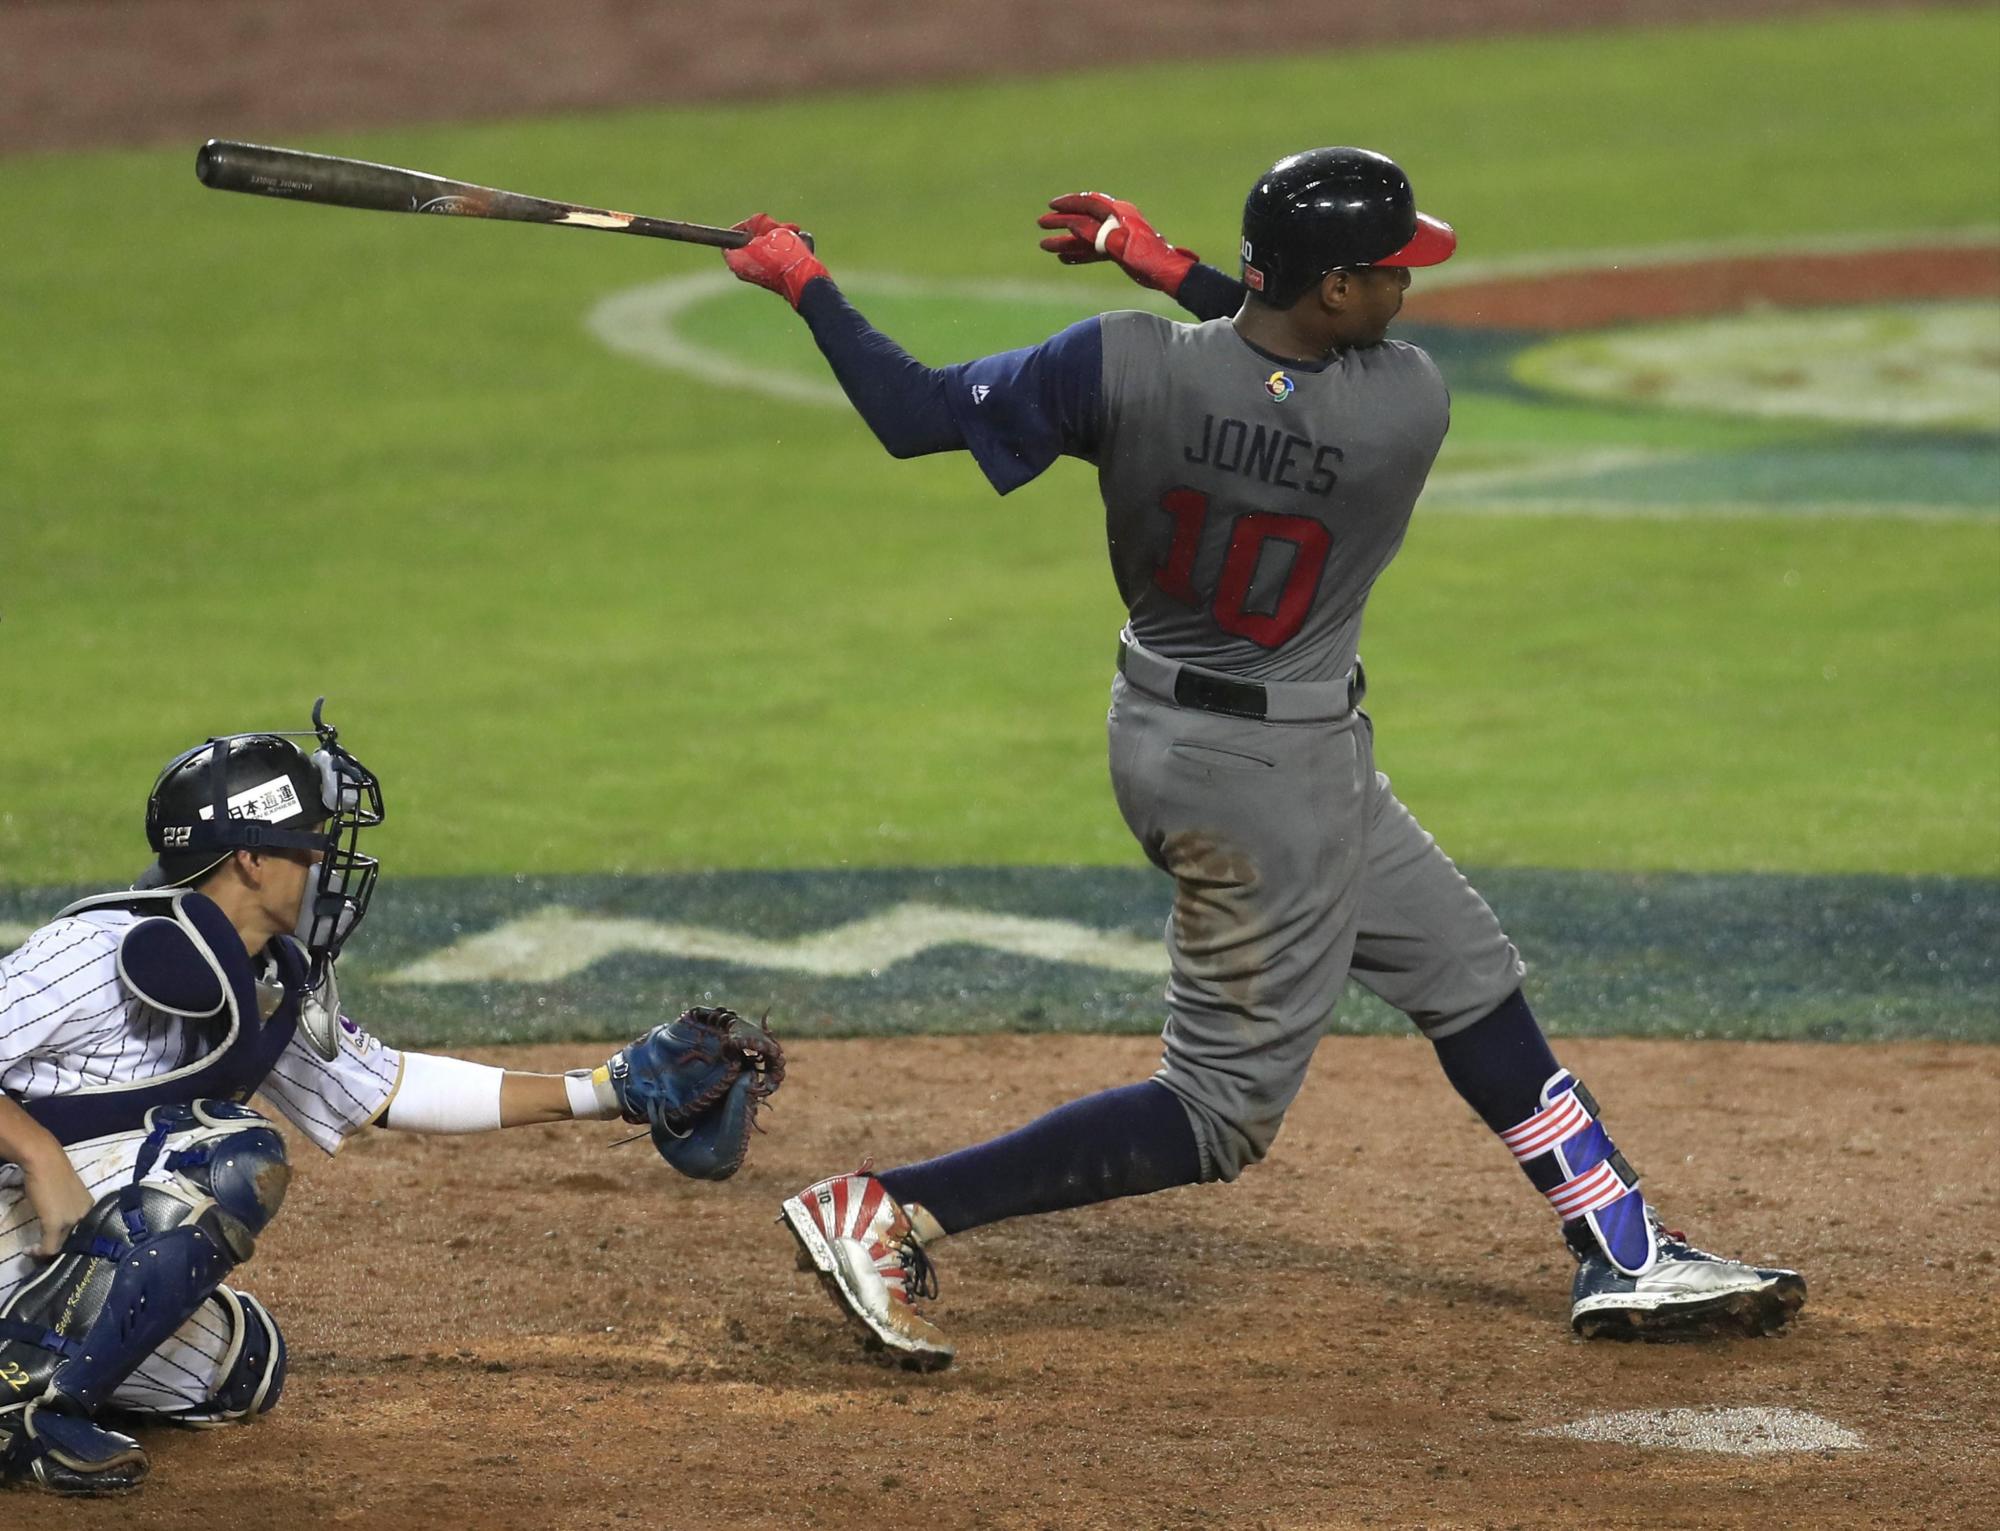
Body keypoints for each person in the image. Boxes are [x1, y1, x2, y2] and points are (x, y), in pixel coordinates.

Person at [720, 147, 1805, 1370]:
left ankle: (1621, 1244)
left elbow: (918, 414)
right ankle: (889, 1205)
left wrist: (802, 281)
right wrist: (1169, 261)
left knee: (1460, 967)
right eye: (1388, 268)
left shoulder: (1114, 364)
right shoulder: (1405, 405)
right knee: (1216, 1112)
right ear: (1333, 291)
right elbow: (1272, 385)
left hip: (1184, 736)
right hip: (1267, 786)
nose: (1407, 286)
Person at [0, 701, 780, 1494]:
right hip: (17, 1216)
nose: (326, 866)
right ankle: (25, 1415)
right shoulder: (97, 949)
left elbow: (391, 1087)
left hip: (33, 1245)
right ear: (249, 860)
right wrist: (35, 1151)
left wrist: (609, 1087)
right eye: (309, 846)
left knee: (240, 1367)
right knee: (229, 1155)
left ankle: (27, 1366)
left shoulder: (261, 978)